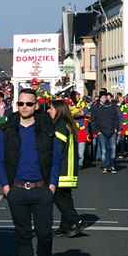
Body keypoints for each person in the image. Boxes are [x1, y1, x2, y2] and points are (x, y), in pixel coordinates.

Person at [0, 89, 63, 256]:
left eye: (29, 104)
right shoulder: (8, 130)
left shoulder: (46, 128)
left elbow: (56, 159)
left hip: (41, 190)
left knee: (44, 234)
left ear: (36, 106)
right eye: (21, 103)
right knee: (23, 236)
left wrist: (52, 185)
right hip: (17, 190)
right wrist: (6, 187)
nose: (24, 107)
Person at [48, 100, 85, 238]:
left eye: (51, 108)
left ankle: (76, 220)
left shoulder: (59, 126)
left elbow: (57, 149)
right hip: (69, 168)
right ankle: (65, 226)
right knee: (66, 198)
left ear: (58, 110)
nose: (48, 111)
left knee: (59, 198)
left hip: (62, 169)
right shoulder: (67, 124)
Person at [91, 91, 120, 174]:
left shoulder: (112, 106)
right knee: (104, 150)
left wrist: (116, 128)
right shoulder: (96, 107)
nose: (105, 99)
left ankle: (112, 165)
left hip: (112, 131)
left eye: (105, 97)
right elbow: (94, 120)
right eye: (103, 97)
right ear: (100, 98)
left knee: (113, 149)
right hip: (102, 132)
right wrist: (97, 131)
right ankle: (105, 166)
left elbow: (116, 119)